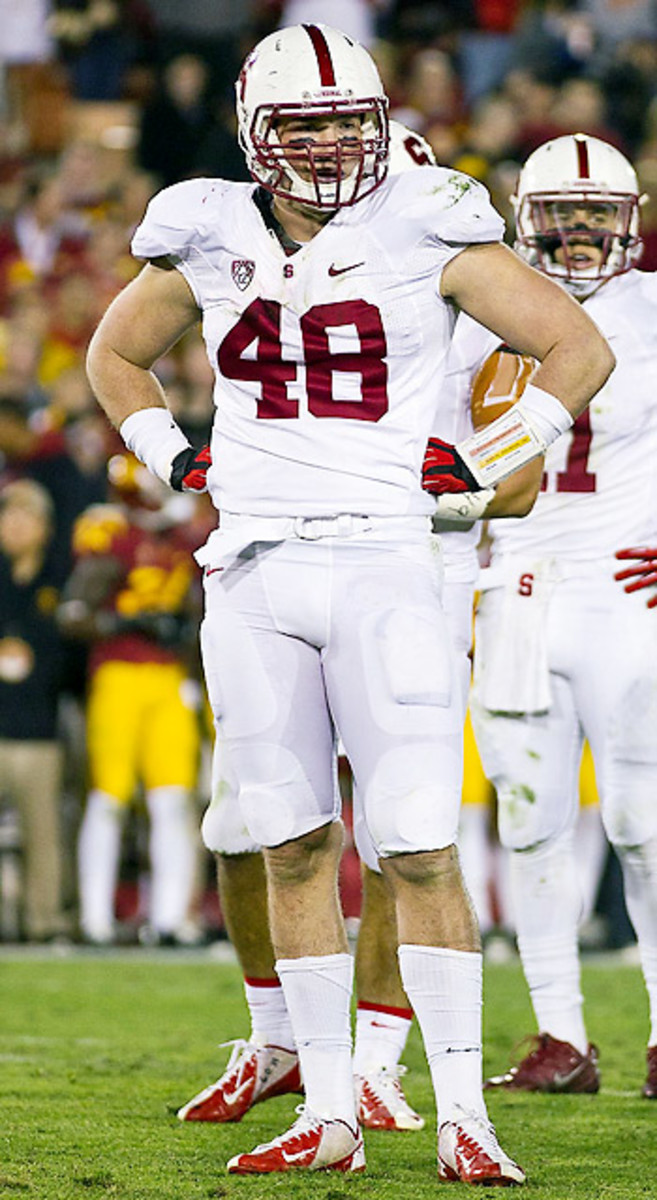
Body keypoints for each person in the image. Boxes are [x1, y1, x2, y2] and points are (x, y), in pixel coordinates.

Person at [85, 23, 612, 1182]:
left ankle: (465, 1112)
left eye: (346, 121)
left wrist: (489, 459)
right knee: (288, 842)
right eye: (304, 124)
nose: (328, 144)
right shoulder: (206, 224)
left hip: (386, 559)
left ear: (380, 126)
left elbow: (572, 346)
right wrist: (173, 457)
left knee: (419, 846)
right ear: (253, 131)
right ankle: (327, 1108)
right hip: (255, 566)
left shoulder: (428, 220)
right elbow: (115, 355)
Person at [177, 120, 439, 1137]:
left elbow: (526, 440)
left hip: (413, 562)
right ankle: (279, 1034)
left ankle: (377, 1054)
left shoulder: (455, 293)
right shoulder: (293, 286)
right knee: (245, 823)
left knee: (401, 831)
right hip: (285, 568)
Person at [453, 132, 657, 1100]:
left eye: (596, 218)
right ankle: (559, 1036)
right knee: (529, 820)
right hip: (519, 591)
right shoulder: (474, 312)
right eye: (561, 217)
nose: (578, 235)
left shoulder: (652, 310)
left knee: (642, 821)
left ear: (629, 223)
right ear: (524, 221)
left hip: (627, 588)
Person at [57, 453, 204, 945]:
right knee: (108, 800)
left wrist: (184, 630)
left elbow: (200, 613)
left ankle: (167, 918)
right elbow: (73, 613)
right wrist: (126, 622)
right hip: (119, 674)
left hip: (168, 680)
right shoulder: (115, 540)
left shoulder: (185, 545)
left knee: (171, 801)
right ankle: (95, 918)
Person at [0, 478, 69, 941]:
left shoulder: (62, 580)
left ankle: (44, 922)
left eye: (26, 515)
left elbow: (70, 655)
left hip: (42, 728)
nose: (15, 524)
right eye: (9, 514)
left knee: (44, 836)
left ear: (45, 526)